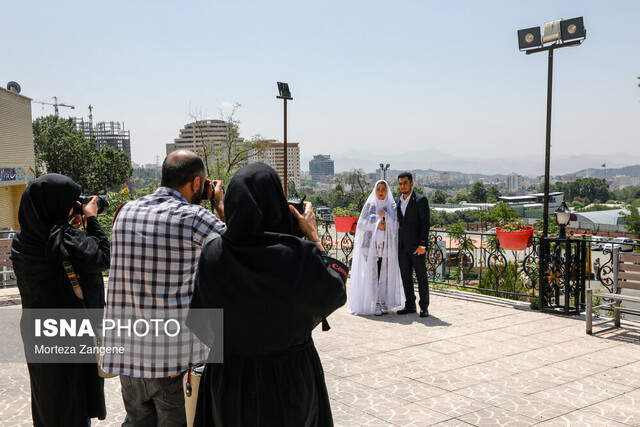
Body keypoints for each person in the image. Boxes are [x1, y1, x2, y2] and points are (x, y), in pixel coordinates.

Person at [187, 162, 348, 427]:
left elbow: (201, 322)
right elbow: (335, 291)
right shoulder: (297, 255)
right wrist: (314, 237)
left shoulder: (213, 252)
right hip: (290, 382)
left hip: (229, 381)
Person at [102, 150, 226, 426]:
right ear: (197, 184)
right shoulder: (194, 217)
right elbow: (239, 250)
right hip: (172, 361)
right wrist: (219, 204)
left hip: (128, 360)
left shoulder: (125, 211)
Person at [10, 173, 110, 426]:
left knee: (49, 396)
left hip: (37, 331)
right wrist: (91, 218)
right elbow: (103, 257)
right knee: (75, 398)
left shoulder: (23, 240)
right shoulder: (66, 237)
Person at [348, 180, 404, 316]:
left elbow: (397, 226)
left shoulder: (392, 206)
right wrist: (377, 224)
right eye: (378, 189)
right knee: (373, 275)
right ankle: (373, 302)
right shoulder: (370, 205)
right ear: (375, 190)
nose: (380, 192)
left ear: (387, 191)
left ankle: (383, 301)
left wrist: (387, 218)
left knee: (385, 275)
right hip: (370, 247)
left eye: (383, 189)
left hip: (386, 247)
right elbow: (361, 225)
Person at [396, 171, 431, 317]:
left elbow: (425, 223)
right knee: (405, 276)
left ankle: (424, 306)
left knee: (421, 276)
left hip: (417, 246)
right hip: (402, 246)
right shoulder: (397, 201)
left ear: (411, 183)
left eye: (405, 183)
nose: (402, 186)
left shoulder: (420, 200)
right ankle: (410, 305)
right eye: (400, 183)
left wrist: (423, 244)